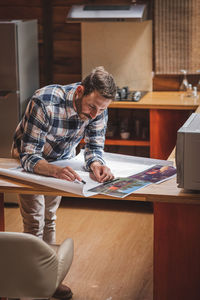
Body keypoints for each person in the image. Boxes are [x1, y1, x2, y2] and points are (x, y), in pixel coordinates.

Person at [11, 66, 116, 300]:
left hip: (61, 158)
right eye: (92, 107)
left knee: (50, 218)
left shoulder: (98, 109)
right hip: (30, 158)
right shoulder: (44, 102)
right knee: (35, 220)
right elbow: (29, 155)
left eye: (102, 109)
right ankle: (30, 285)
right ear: (79, 91)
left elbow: (94, 147)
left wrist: (96, 164)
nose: (95, 114)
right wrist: (54, 171)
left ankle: (48, 280)